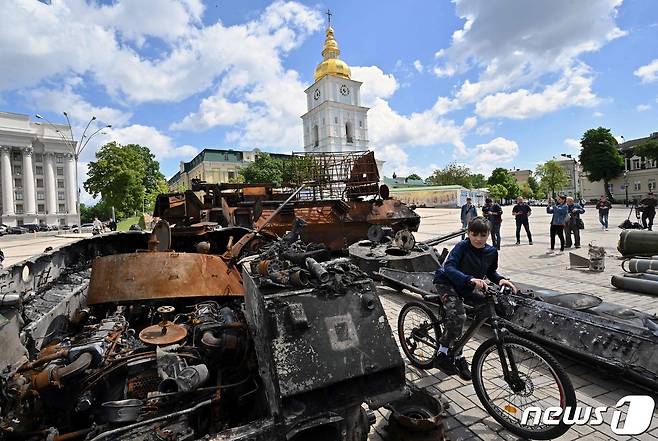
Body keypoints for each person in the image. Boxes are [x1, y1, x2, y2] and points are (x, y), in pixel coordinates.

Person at [433, 217, 517, 380]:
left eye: (483, 235)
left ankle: (457, 355)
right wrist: (470, 279)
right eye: (474, 234)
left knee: (490, 305)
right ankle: (442, 353)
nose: (478, 239)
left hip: (469, 285)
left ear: (488, 235)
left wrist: (500, 279)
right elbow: (449, 267)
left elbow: (491, 272)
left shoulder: (491, 251)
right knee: (459, 315)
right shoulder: (462, 246)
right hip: (446, 282)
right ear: (468, 233)